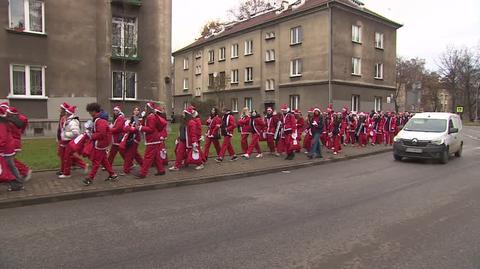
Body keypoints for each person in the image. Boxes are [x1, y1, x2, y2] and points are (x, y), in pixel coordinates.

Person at [83, 103, 118, 186]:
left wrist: (91, 135)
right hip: (102, 143)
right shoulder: (99, 119)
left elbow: (101, 133)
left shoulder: (100, 120)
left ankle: (90, 178)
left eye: (90, 112)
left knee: (96, 162)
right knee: (104, 160)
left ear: (94, 111)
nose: (90, 114)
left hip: (100, 143)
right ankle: (112, 175)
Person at [136, 102, 167, 178]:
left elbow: (151, 129)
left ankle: (143, 173)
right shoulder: (150, 116)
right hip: (154, 139)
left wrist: (140, 128)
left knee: (147, 157)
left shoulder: (151, 117)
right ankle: (161, 170)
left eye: (146, 107)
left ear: (149, 108)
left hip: (152, 140)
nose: (145, 109)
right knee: (156, 156)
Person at [58, 103, 88, 178]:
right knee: (66, 156)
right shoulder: (67, 120)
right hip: (65, 140)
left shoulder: (73, 121)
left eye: (66, 112)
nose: (65, 112)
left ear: (69, 113)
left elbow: (76, 133)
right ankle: (65, 171)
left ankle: (67, 172)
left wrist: (65, 134)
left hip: (69, 141)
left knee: (67, 157)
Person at [0, 106, 24, 191]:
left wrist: (0, 149)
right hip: (7, 148)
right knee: (10, 166)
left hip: (6, 149)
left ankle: (18, 183)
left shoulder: (1, 124)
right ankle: (17, 182)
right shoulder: (3, 122)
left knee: (10, 166)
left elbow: (2, 138)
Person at [6, 106, 31, 180]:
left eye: (8, 112)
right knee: (8, 160)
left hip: (13, 143)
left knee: (9, 160)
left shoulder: (11, 122)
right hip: (14, 142)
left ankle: (24, 170)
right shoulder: (17, 121)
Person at [121, 107, 144, 175]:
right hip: (131, 138)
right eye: (135, 110)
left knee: (129, 155)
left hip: (134, 139)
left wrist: (131, 128)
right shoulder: (132, 118)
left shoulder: (139, 119)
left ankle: (126, 170)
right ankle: (144, 165)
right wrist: (129, 127)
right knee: (136, 154)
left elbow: (136, 129)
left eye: (137, 110)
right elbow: (126, 128)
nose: (136, 111)